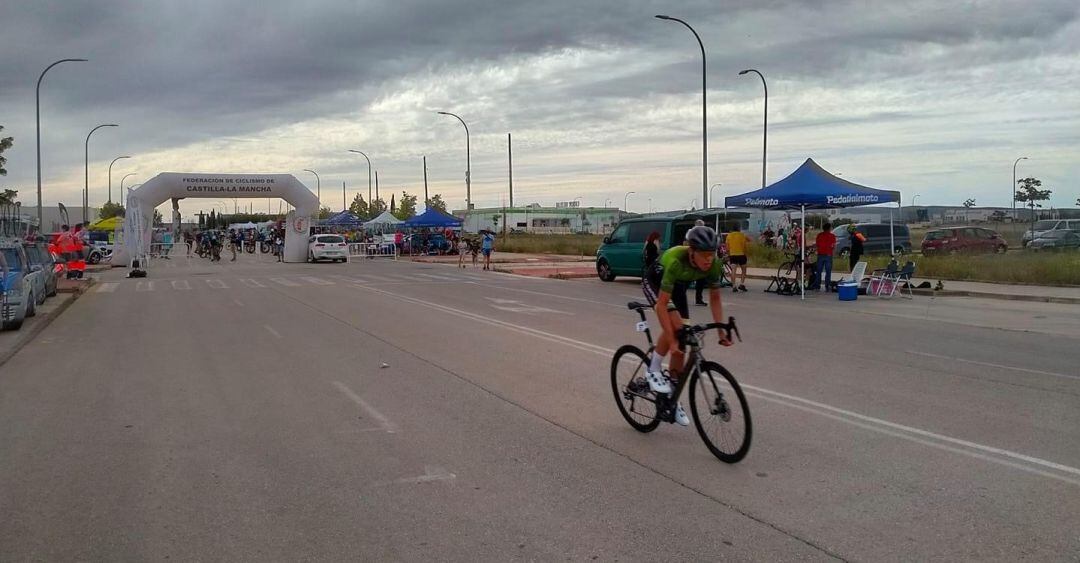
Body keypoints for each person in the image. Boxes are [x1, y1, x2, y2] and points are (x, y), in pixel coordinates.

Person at [641, 226, 732, 427]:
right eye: (705, 254)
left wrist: (720, 331)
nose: (709, 259)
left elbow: (715, 297)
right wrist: (671, 339)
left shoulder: (714, 265)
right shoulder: (675, 261)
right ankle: (653, 368)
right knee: (675, 331)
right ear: (691, 251)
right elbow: (662, 306)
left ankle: (672, 400)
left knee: (682, 347)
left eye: (712, 254)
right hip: (657, 280)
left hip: (678, 286)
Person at [725, 224, 749, 292]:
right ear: (739, 229)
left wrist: (729, 254)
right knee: (744, 270)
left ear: (732, 229)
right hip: (741, 255)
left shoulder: (729, 236)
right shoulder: (742, 235)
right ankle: (741, 284)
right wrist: (745, 254)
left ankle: (734, 286)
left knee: (733, 271)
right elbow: (745, 246)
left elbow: (727, 248)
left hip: (733, 255)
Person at [814, 222, 837, 291]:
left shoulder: (819, 235)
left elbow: (817, 244)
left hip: (820, 255)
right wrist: (833, 253)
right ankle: (827, 285)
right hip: (828, 255)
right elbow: (833, 246)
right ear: (829, 228)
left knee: (819, 271)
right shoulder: (832, 236)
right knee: (828, 271)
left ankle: (817, 285)